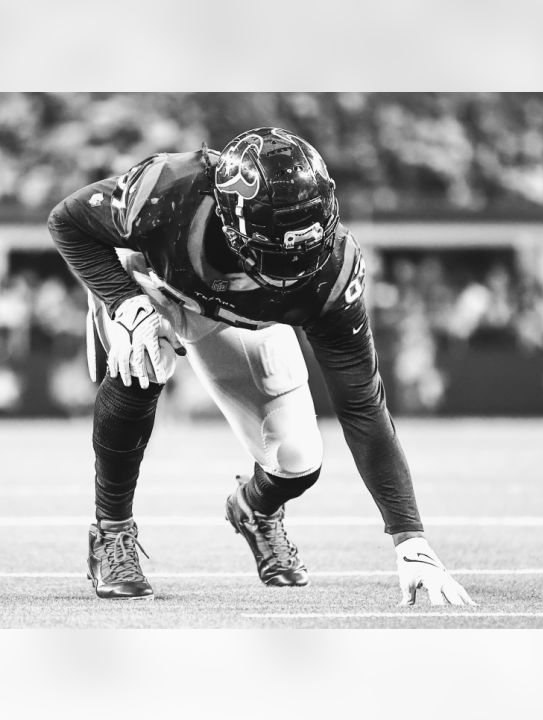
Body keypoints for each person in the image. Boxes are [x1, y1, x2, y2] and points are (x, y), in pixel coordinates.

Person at [48, 127, 473, 606]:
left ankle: (255, 509)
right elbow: (67, 221)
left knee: (298, 457)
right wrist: (122, 301)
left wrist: (411, 541)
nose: (300, 264)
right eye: (281, 249)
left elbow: (361, 405)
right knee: (143, 354)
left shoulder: (331, 271)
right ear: (233, 225)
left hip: (238, 316)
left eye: (309, 248)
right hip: (154, 286)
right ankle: (111, 532)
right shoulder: (169, 190)